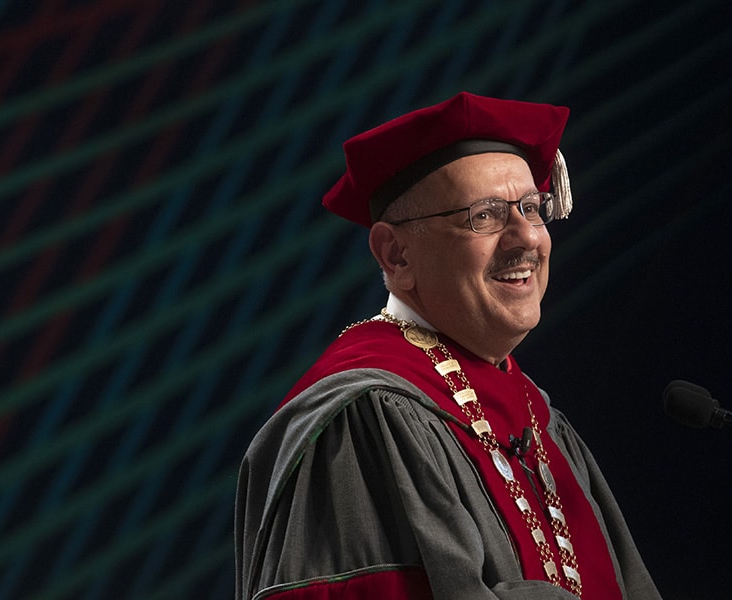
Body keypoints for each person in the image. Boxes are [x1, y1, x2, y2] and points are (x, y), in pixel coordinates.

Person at [235, 92, 661, 600]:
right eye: (484, 216)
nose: (527, 238)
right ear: (396, 255)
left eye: (532, 208)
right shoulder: (364, 420)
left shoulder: (539, 419)